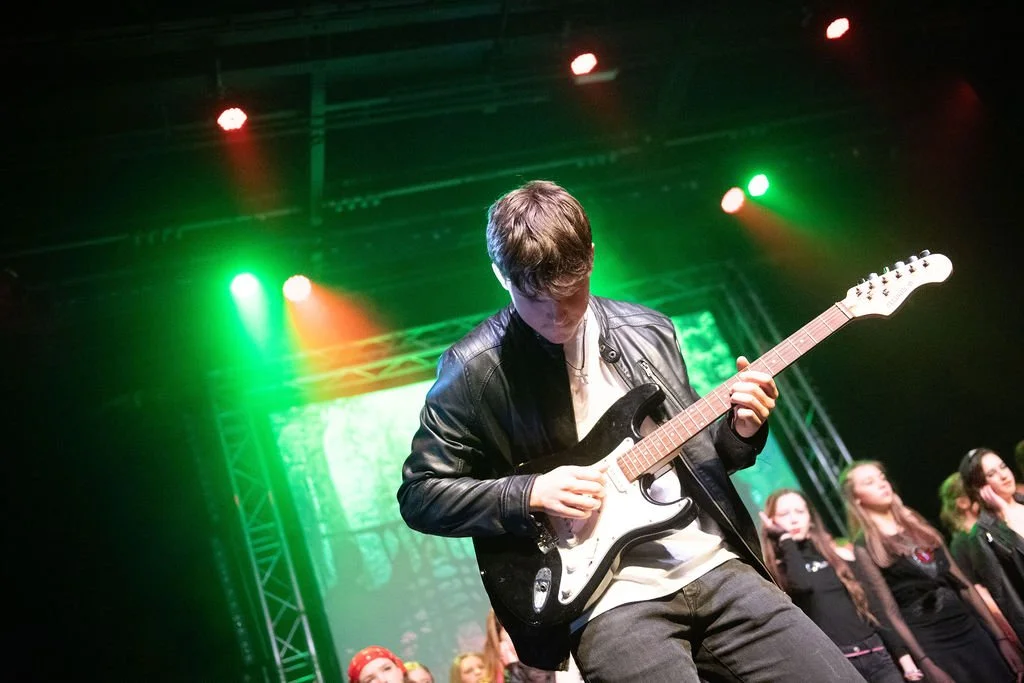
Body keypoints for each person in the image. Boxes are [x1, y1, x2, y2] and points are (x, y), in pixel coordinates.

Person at [397, 180, 862, 682]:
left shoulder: (649, 330)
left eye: (570, 293)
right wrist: (529, 491)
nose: (557, 314)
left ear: (591, 258)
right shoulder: (471, 370)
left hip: (711, 562)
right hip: (606, 602)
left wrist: (741, 429)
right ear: (499, 275)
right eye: (535, 300)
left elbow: (697, 458)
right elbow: (421, 495)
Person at [841, 460, 1024, 682]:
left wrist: (1001, 638)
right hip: (933, 642)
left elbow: (963, 584)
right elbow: (889, 611)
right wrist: (925, 661)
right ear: (856, 498)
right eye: (869, 482)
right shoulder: (865, 546)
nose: (882, 484)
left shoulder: (916, 523)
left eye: (881, 477)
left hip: (970, 629)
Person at [759, 488, 921, 682]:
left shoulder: (837, 554)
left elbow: (874, 609)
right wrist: (785, 540)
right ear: (771, 522)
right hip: (839, 666)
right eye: (784, 514)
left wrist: (905, 659)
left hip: (877, 655)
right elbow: (802, 585)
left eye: (800, 512)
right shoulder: (778, 569)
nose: (794, 519)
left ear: (810, 517)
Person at [959, 447, 1024, 645]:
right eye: (991, 474)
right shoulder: (982, 535)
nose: (1004, 475)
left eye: (1002, 466)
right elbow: (1006, 597)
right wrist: (1004, 509)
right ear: (980, 486)